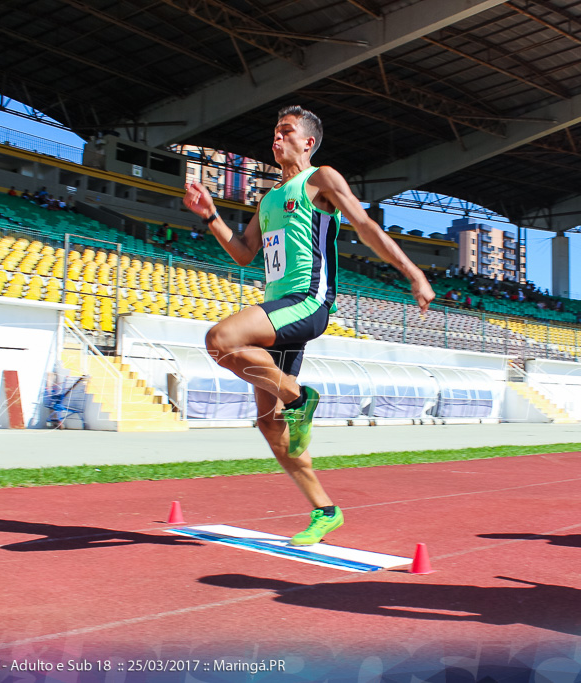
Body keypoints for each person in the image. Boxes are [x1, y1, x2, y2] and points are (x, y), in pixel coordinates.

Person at [182, 105, 434, 546]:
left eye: (286, 132)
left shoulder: (321, 180)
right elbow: (244, 253)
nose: (276, 138)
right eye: (274, 132)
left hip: (309, 301)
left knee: (219, 339)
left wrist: (413, 273)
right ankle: (325, 510)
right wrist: (210, 215)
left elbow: (366, 226)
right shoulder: (269, 199)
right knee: (269, 423)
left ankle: (301, 397)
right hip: (278, 310)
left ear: (308, 142)